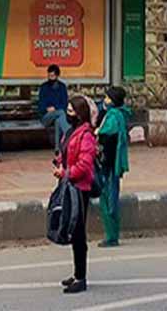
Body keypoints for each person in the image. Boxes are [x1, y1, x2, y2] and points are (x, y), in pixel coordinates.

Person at [54, 95, 97, 294]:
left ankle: (81, 278)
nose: (68, 114)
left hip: (80, 188)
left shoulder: (86, 135)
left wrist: (66, 173)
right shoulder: (71, 132)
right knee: (72, 230)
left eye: (71, 111)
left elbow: (85, 165)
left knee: (78, 233)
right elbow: (65, 153)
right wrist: (60, 162)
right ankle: (77, 273)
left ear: (79, 114)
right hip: (69, 185)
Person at [95, 86, 131, 248]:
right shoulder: (120, 115)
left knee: (109, 199)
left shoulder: (113, 117)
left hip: (109, 163)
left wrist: (97, 133)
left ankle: (111, 236)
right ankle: (111, 234)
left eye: (108, 98)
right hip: (112, 162)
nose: (105, 101)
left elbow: (105, 135)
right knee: (111, 195)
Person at [38, 64, 69, 154]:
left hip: (57, 114)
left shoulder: (62, 87)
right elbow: (41, 105)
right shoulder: (44, 87)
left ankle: (57, 149)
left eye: (52, 76)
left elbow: (64, 103)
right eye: (49, 75)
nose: (50, 78)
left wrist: (54, 108)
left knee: (58, 120)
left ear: (57, 76)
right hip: (45, 117)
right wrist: (47, 109)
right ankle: (69, 135)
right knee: (61, 113)